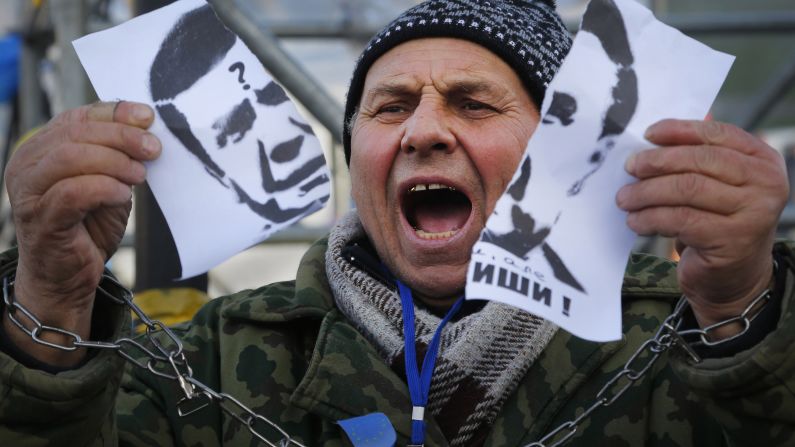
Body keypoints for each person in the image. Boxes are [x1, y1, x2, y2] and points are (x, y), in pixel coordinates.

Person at [1, 0, 793, 445]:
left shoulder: (679, 332)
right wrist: (51, 297)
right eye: (389, 106)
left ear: (556, 148)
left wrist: (737, 311)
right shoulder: (211, 356)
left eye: (472, 102)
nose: (421, 131)